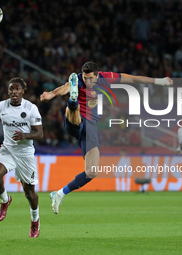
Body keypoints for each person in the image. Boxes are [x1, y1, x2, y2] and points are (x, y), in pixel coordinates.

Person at [40, 61, 173, 214]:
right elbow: (65, 87)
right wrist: (52, 94)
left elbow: (134, 79)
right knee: (76, 118)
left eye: (90, 78)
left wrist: (160, 81)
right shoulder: (78, 80)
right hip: (75, 120)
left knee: (92, 171)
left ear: (98, 75)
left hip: (90, 126)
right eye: (85, 78)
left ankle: (59, 194)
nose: (87, 81)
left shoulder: (107, 78)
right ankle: (73, 101)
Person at [0, 77, 43, 237]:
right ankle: (5, 201)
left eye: (17, 89)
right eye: (11, 89)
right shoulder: (0, 107)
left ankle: (35, 221)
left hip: (25, 154)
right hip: (8, 150)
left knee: (29, 194)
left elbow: (40, 133)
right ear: (8, 91)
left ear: (23, 91)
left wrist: (24, 135)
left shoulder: (31, 108)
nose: (14, 92)